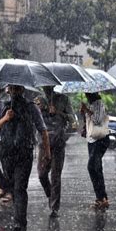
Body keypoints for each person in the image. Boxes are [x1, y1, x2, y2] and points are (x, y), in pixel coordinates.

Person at [0, 85, 50, 231]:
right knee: (14, 188)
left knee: (20, 188)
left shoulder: (31, 108)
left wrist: (47, 152)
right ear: (8, 90)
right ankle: (19, 221)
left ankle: (19, 223)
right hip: (7, 154)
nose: (15, 92)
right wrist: (5, 118)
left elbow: (42, 129)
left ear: (22, 90)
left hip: (23, 154)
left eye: (17, 89)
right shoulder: (0, 107)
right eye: (12, 89)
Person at [35, 86, 73, 218]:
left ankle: (54, 207)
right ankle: (51, 195)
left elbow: (72, 119)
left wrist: (58, 112)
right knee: (41, 174)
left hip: (58, 141)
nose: (47, 89)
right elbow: (32, 119)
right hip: (43, 143)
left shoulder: (63, 99)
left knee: (56, 176)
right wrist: (38, 110)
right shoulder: (38, 100)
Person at [80, 92, 110, 210]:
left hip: (100, 139)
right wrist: (84, 112)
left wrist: (86, 110)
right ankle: (101, 198)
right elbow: (89, 122)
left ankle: (102, 198)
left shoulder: (99, 104)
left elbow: (97, 120)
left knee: (92, 167)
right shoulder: (92, 105)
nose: (86, 95)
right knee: (95, 168)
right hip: (92, 139)